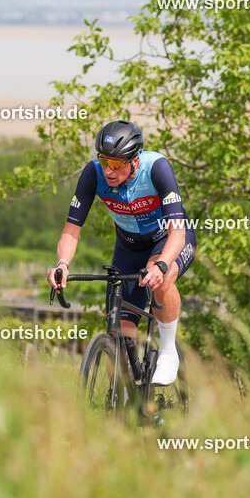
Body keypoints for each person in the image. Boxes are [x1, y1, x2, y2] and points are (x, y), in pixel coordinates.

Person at [47, 120, 195, 385]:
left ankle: (168, 350)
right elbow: (71, 231)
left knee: (162, 276)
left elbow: (178, 233)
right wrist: (62, 264)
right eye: (105, 162)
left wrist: (161, 264)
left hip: (167, 239)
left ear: (134, 160)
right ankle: (121, 408)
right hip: (128, 248)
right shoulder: (92, 174)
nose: (109, 171)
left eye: (117, 164)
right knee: (117, 338)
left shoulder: (156, 168)